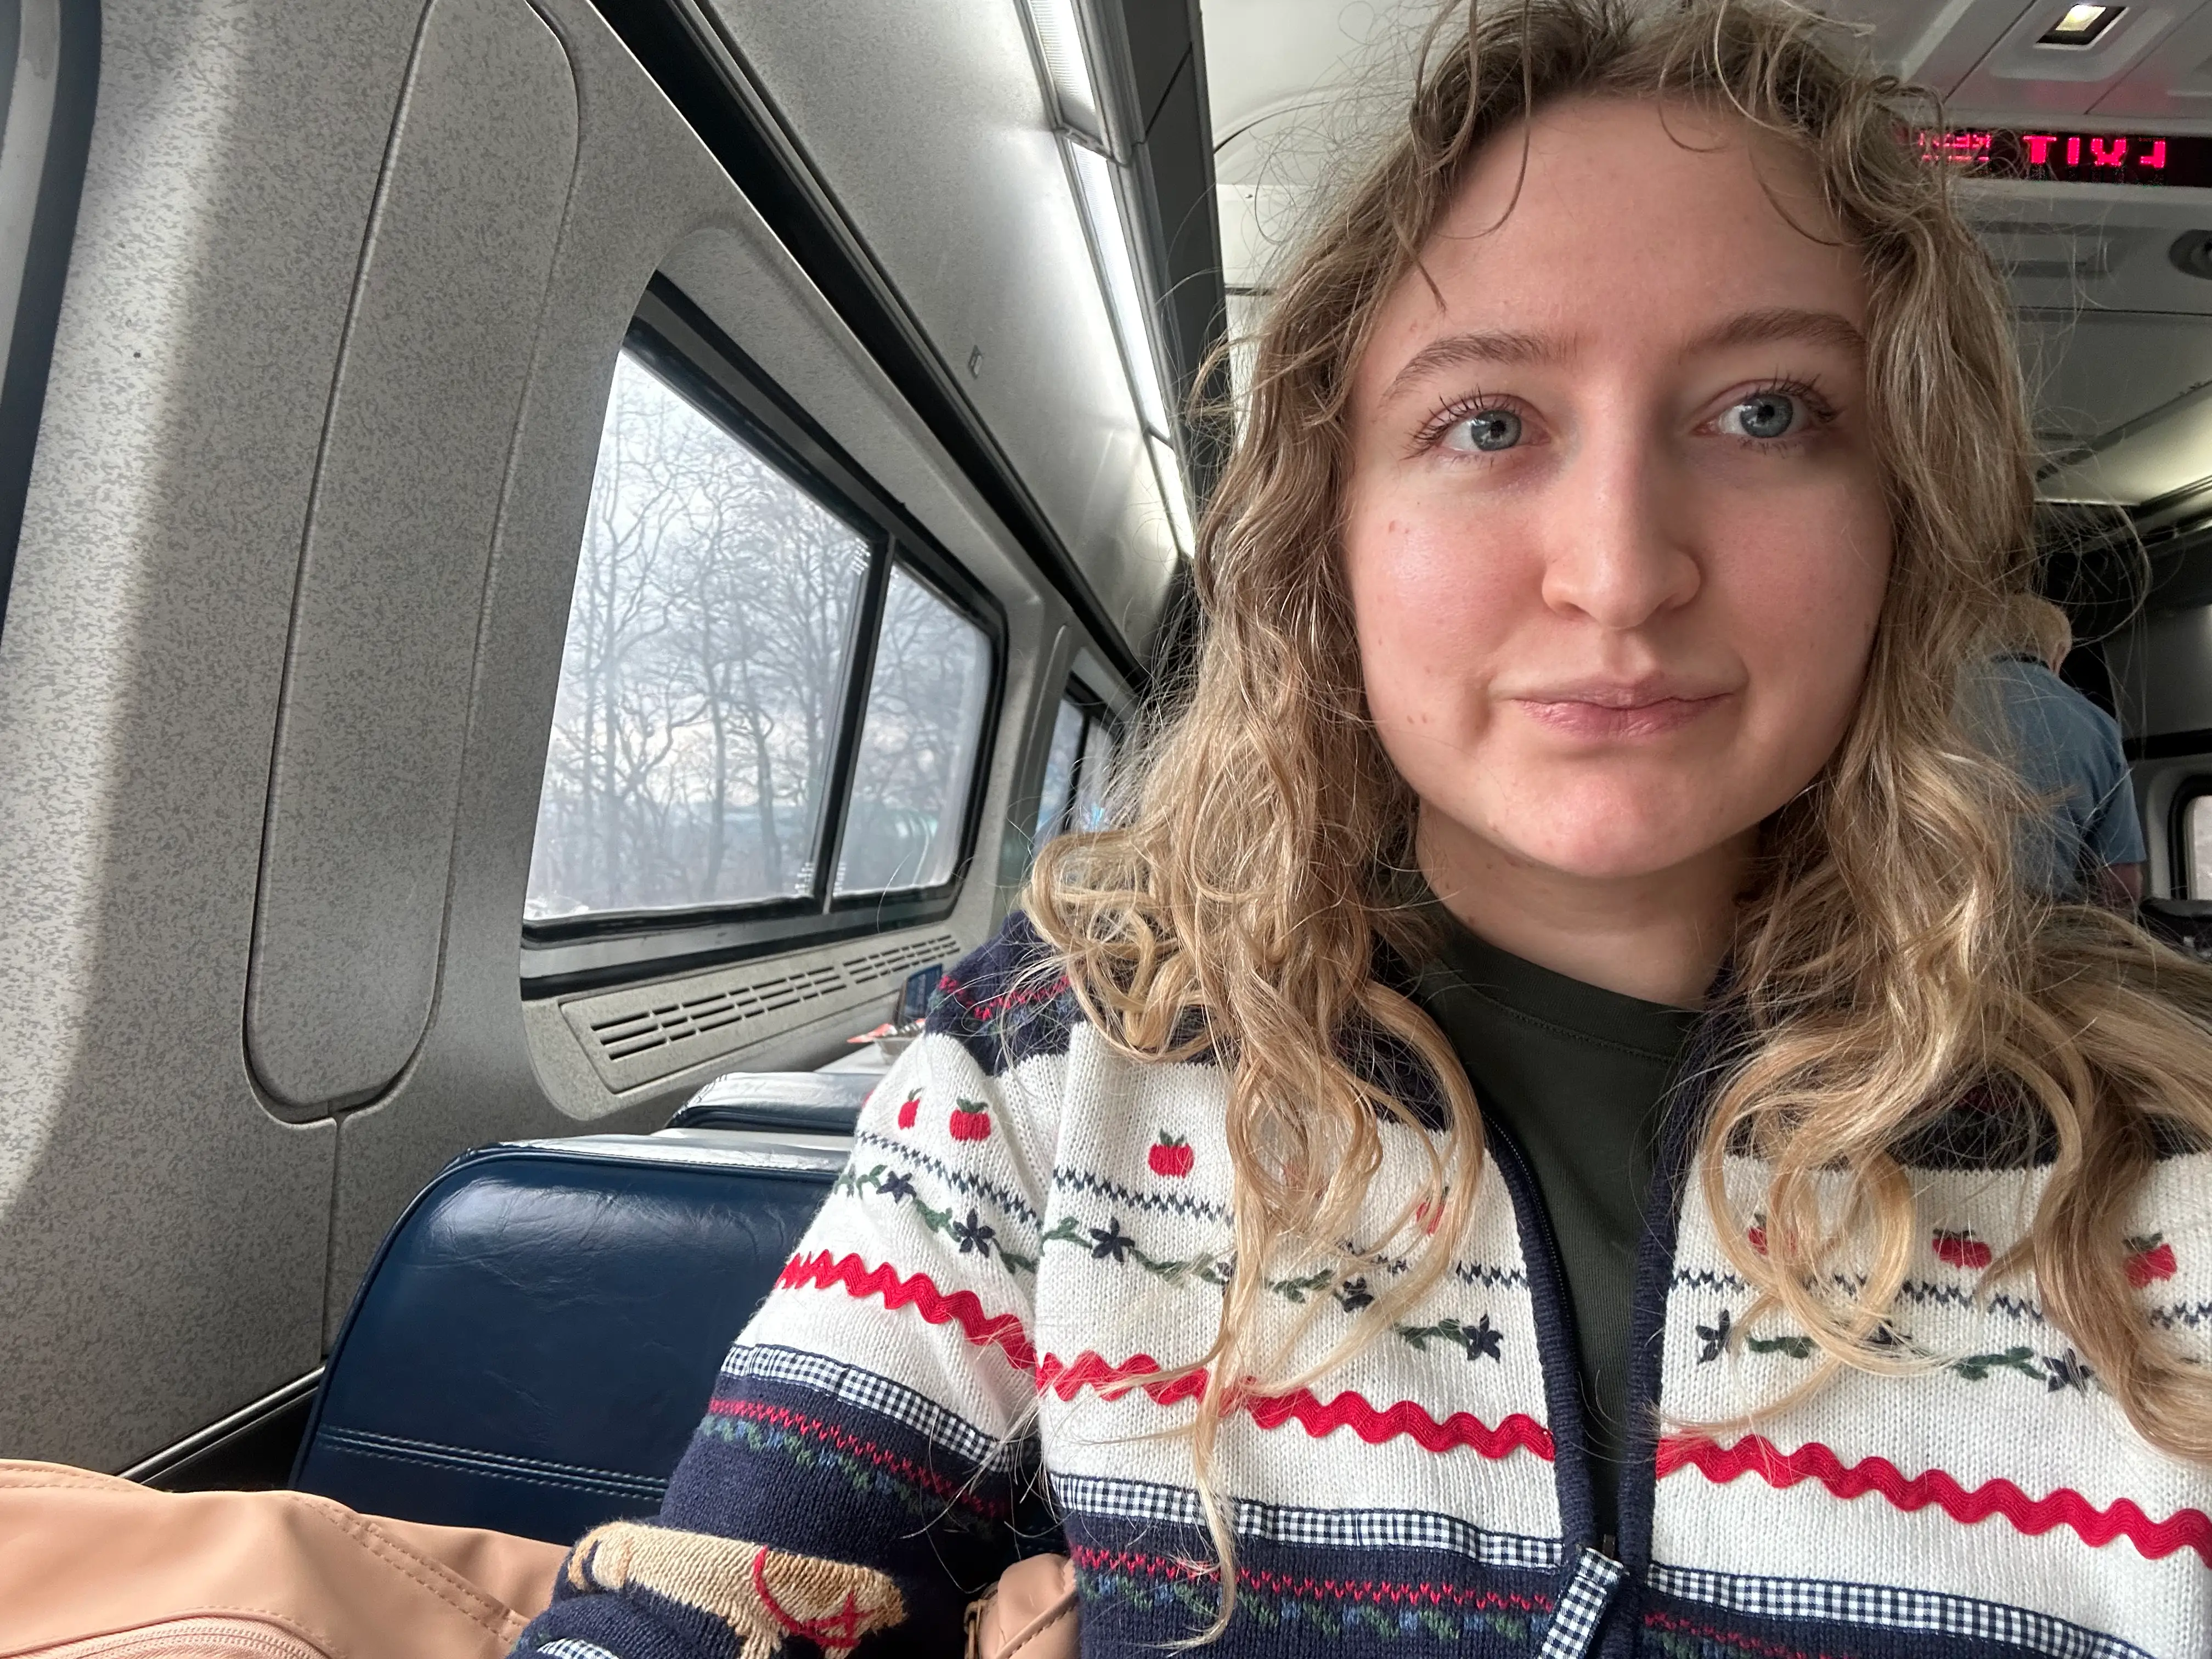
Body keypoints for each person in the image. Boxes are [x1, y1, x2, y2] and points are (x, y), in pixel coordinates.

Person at [513, 4, 2212, 1656]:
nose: (1619, 571)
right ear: (1330, 537)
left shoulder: (2163, 1170)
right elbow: (719, 1591)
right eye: (1488, 424)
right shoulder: (1060, 1066)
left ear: (1901, 527)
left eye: (1766, 412)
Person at [1980, 591, 2146, 906]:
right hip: (2047, 933)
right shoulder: (2099, 726)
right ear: (2058, 653)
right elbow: (2120, 884)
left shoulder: (1930, 705)